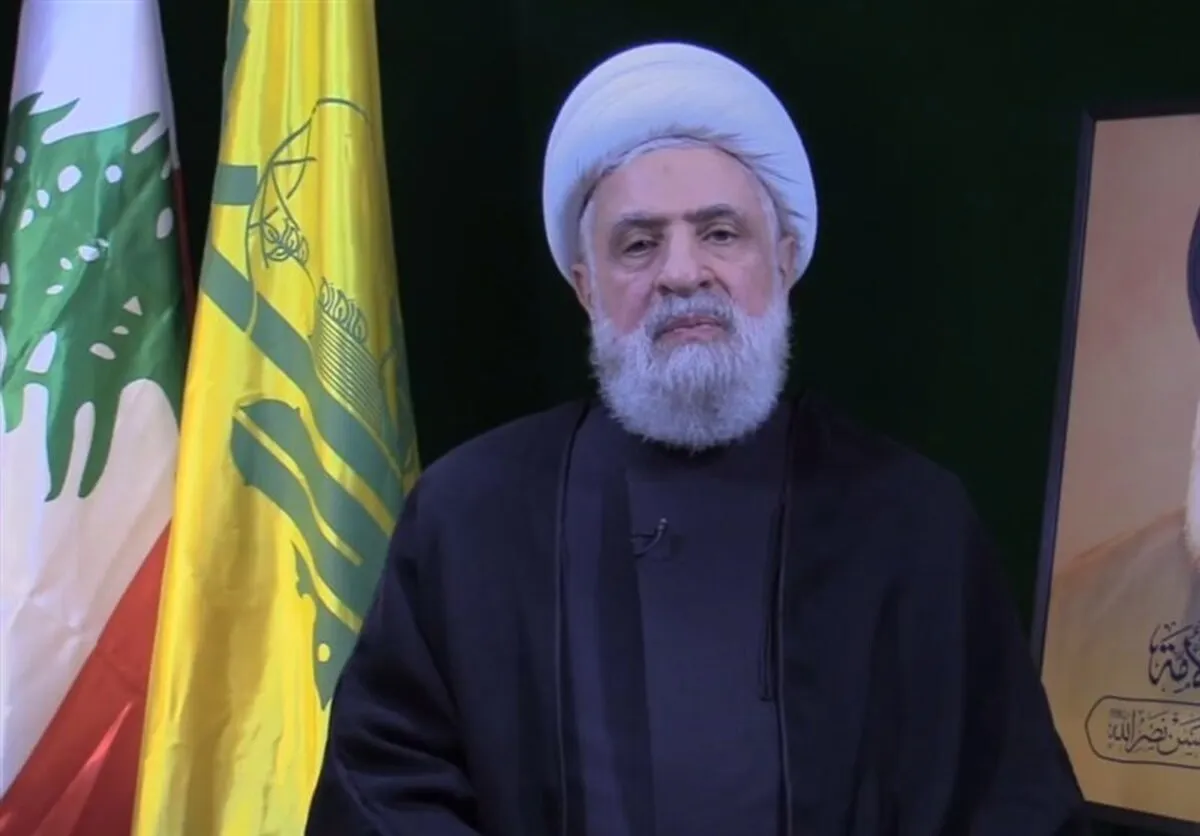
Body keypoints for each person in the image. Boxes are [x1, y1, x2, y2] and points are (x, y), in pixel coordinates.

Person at [305, 41, 1089, 835]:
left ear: (784, 262)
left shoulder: (910, 520)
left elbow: (1012, 803)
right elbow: (383, 793)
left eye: (719, 233)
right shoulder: (471, 515)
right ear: (585, 287)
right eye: (639, 244)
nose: (682, 274)